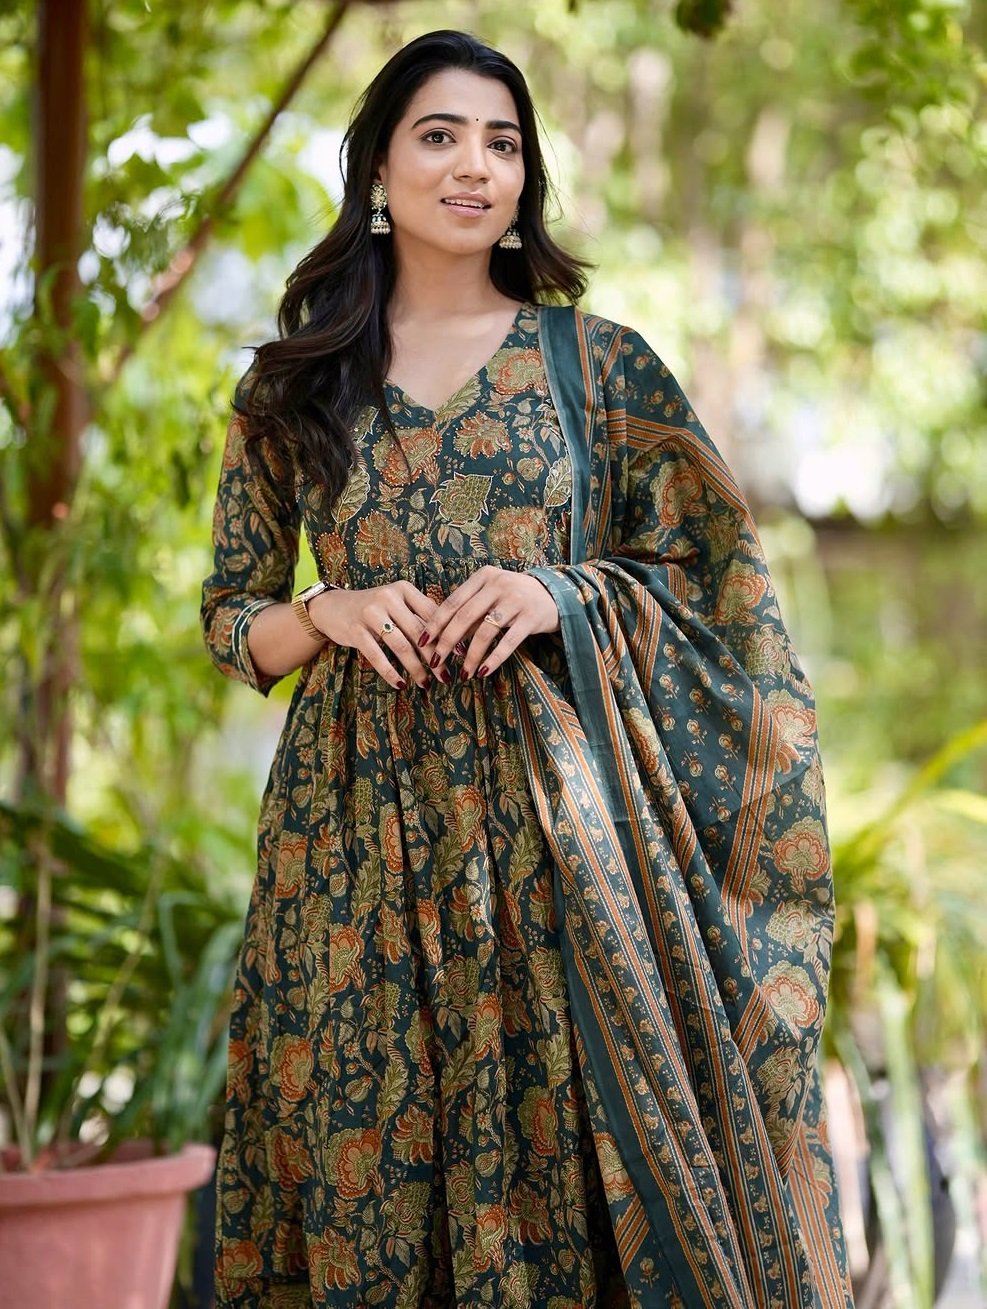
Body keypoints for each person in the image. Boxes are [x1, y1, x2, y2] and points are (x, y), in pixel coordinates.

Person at [201, 28, 853, 1309]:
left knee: (561, 1160)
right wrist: (329, 610)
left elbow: (716, 585)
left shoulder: (595, 366)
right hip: (351, 844)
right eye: (440, 137)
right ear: (376, 170)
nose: (474, 167)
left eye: (502, 144)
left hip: (557, 843)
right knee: (364, 1157)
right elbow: (232, 619)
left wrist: (563, 590)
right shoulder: (293, 389)